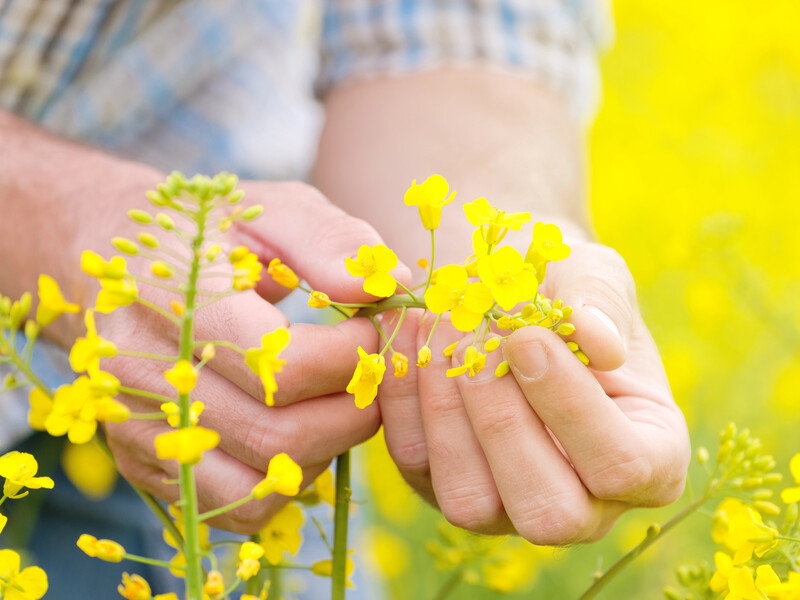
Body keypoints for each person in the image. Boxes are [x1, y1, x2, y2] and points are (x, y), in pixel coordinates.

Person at [0, 0, 690, 596]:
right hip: (142, 332)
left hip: (220, 395)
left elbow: (438, 34)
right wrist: (61, 222)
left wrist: (495, 267)